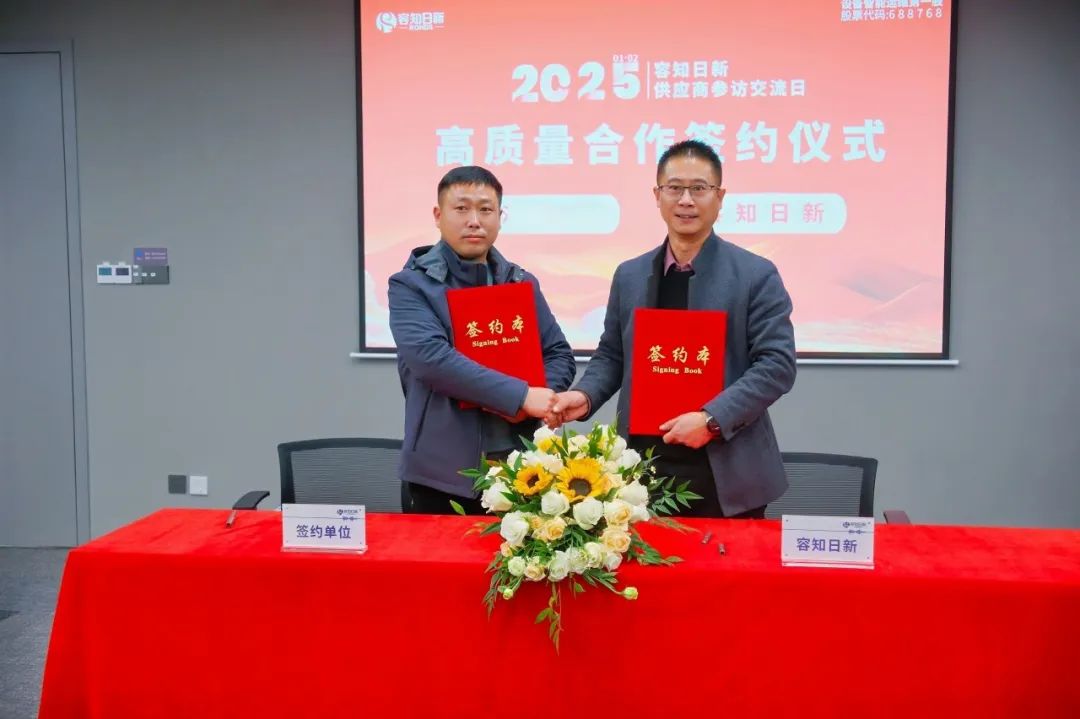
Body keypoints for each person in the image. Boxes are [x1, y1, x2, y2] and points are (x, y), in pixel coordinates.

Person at [549, 140, 796, 518]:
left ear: (720, 197)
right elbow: (613, 354)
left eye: (699, 188)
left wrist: (712, 420)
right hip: (643, 468)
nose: (686, 200)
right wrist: (585, 395)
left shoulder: (755, 275)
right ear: (657, 195)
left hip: (726, 469)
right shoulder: (630, 275)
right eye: (674, 188)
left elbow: (776, 365)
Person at [389, 166, 576, 515]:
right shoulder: (410, 285)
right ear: (438, 215)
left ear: (500, 217)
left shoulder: (521, 282)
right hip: (442, 473)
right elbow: (432, 360)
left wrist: (541, 398)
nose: (474, 221)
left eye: (486, 209)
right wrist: (520, 396)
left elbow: (558, 354)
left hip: (522, 467)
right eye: (461, 208)